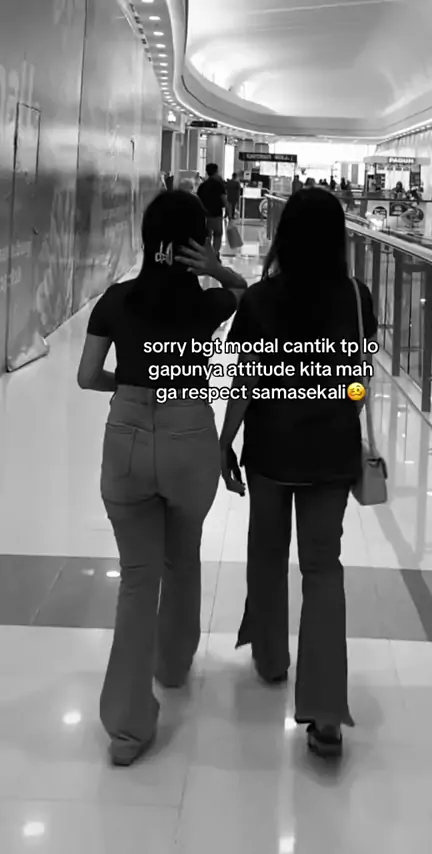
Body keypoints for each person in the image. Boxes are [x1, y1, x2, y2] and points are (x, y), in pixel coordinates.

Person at [77, 190, 247, 767]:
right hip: (187, 436)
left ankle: (126, 729)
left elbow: (87, 376)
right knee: (183, 556)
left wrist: (130, 387)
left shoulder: (116, 299)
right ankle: (172, 665)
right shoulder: (207, 304)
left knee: (136, 578)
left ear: (146, 238)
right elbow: (248, 293)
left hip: (125, 438)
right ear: (197, 243)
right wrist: (216, 268)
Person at [219, 188, 377, 759]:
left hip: (271, 449)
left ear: (284, 235)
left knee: (266, 551)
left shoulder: (261, 299)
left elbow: (245, 381)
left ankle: (270, 658)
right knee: (323, 568)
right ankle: (327, 713)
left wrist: (224, 440)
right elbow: (360, 378)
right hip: (331, 452)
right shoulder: (356, 297)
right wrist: (343, 411)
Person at [197, 163, 227, 258]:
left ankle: (207, 253)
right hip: (216, 214)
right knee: (217, 234)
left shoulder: (202, 186)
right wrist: (229, 213)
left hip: (204, 214)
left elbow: (198, 200)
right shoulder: (219, 185)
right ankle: (215, 253)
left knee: (207, 235)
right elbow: (224, 199)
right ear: (216, 172)